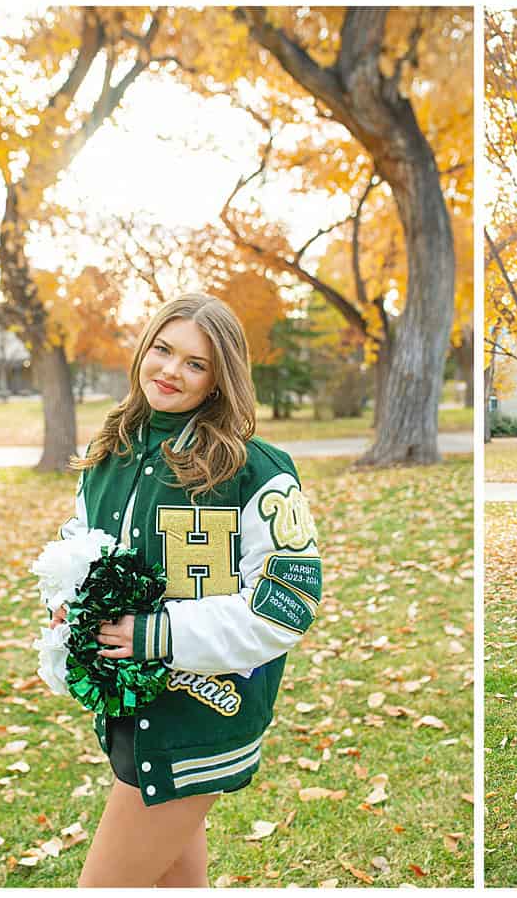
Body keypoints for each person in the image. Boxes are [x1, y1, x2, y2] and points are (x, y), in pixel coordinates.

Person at [51, 294, 323, 887]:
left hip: (202, 716)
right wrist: (67, 600)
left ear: (221, 378)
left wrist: (156, 634)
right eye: (163, 349)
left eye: (195, 363)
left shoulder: (257, 470)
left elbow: (288, 606)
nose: (171, 371)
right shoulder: (111, 452)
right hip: (131, 711)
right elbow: (82, 538)